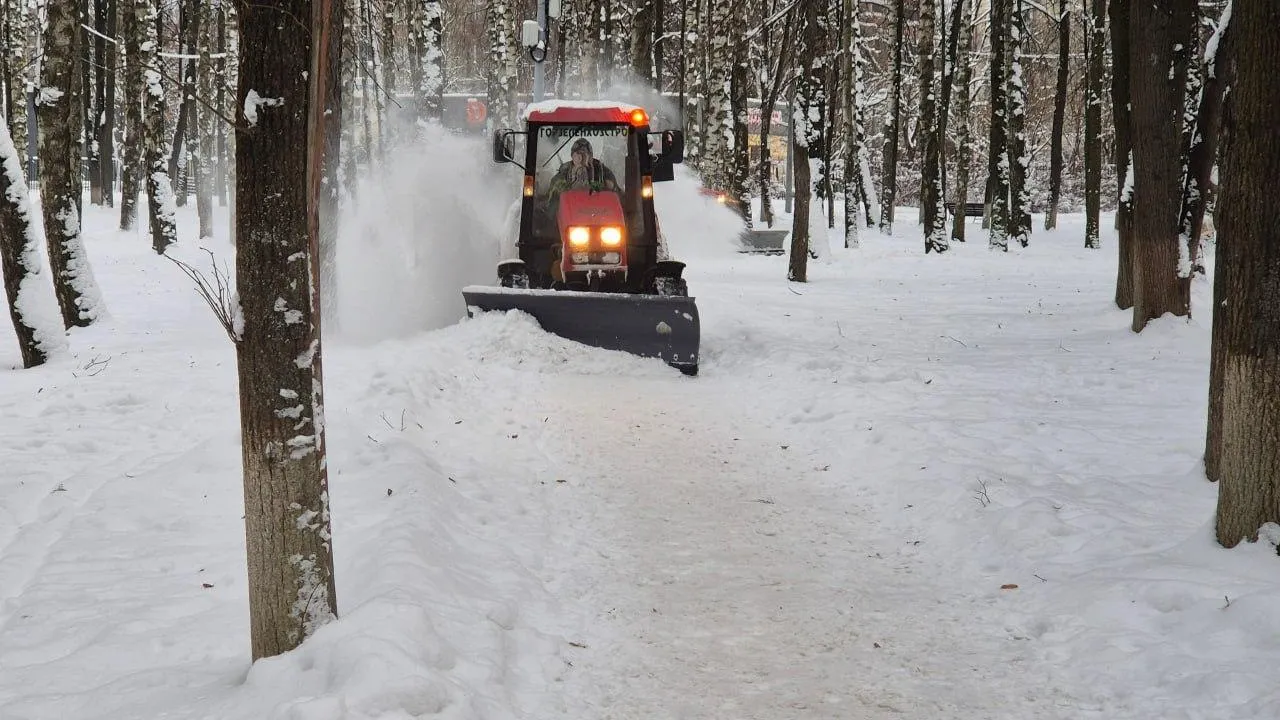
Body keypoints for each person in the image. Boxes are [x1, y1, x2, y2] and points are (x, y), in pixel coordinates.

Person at [547, 138, 619, 198]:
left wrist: (607, 187)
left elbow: (617, 195)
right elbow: (550, 198)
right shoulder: (564, 172)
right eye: (577, 153)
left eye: (584, 153)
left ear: (590, 156)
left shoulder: (602, 171)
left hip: (597, 206)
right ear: (572, 156)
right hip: (571, 205)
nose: (580, 158)